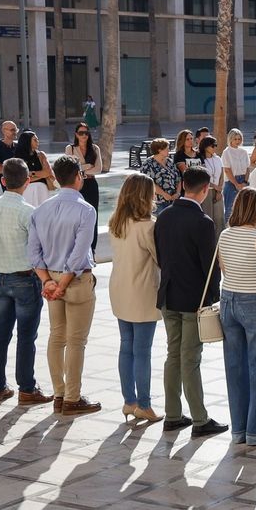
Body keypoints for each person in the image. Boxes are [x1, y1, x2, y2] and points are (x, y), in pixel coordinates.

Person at [26, 156, 101, 416]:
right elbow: (79, 254)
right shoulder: (85, 210)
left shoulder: (40, 210)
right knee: (76, 341)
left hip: (51, 277)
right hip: (75, 280)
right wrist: (62, 283)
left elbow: (33, 253)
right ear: (78, 176)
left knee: (57, 337)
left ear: (56, 178)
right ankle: (72, 397)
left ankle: (59, 394)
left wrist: (48, 281)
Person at [154, 167, 226, 436]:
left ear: (183, 184)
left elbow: (160, 256)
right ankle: (199, 419)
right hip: (193, 299)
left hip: (168, 294)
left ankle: (172, 415)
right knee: (190, 358)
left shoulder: (164, 216)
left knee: (173, 355)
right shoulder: (203, 222)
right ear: (205, 190)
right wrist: (213, 298)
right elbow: (210, 266)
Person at [215, 189, 256, 447]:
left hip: (228, 301)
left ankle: (239, 429)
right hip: (254, 301)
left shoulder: (224, 235)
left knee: (235, 368)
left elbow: (224, 268)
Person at [0, 159, 50, 406]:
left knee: (1, 333)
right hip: (24, 277)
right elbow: (38, 249)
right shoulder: (28, 211)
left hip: (0, 275)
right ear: (28, 181)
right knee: (26, 336)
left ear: (3, 180)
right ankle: (27, 388)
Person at [106, 175, 162, 423]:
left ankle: (129, 401)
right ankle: (145, 405)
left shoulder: (116, 222)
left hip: (119, 289)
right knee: (142, 352)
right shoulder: (148, 226)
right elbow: (160, 258)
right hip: (142, 291)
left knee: (126, 347)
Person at [220, 129, 252, 218]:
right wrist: (236, 184)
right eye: (235, 139)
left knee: (245, 208)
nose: (237, 141)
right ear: (230, 139)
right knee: (230, 209)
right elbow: (227, 170)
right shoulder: (226, 152)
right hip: (231, 182)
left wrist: (245, 182)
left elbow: (247, 168)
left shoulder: (244, 152)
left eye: (239, 139)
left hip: (244, 180)